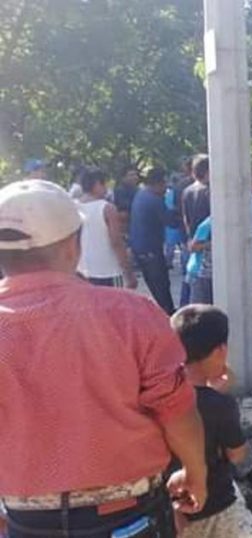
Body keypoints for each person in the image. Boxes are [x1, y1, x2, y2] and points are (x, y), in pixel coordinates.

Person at [0, 179, 207, 537]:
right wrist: (196, 471)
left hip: (27, 519)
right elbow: (176, 409)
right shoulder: (131, 313)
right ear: (72, 246)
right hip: (126, 514)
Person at [169, 305, 252, 538]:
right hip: (216, 505)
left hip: (168, 508)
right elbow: (237, 455)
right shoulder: (220, 405)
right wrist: (220, 397)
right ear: (221, 350)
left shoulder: (162, 394)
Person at [75, 167, 137, 288]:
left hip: (83, 270)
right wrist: (128, 273)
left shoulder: (75, 207)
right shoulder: (107, 208)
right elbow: (116, 242)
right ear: (98, 184)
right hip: (108, 271)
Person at [130, 166, 176, 314]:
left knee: (155, 285)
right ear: (158, 184)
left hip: (140, 248)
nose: (165, 189)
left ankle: (163, 312)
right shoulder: (155, 200)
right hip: (151, 249)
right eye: (164, 185)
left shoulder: (141, 195)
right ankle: (168, 316)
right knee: (161, 285)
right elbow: (171, 222)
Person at [181, 154, 211, 306]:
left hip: (194, 245)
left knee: (196, 298)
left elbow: (186, 219)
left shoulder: (187, 191)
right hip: (208, 248)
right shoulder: (210, 192)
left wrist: (191, 239)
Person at [186, 215, 214, 304]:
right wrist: (210, 244)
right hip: (199, 272)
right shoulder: (208, 224)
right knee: (198, 310)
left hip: (213, 274)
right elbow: (192, 247)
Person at [112, 167, 140, 231]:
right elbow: (124, 207)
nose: (135, 177)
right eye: (131, 175)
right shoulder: (119, 191)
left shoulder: (138, 190)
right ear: (123, 178)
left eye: (136, 175)